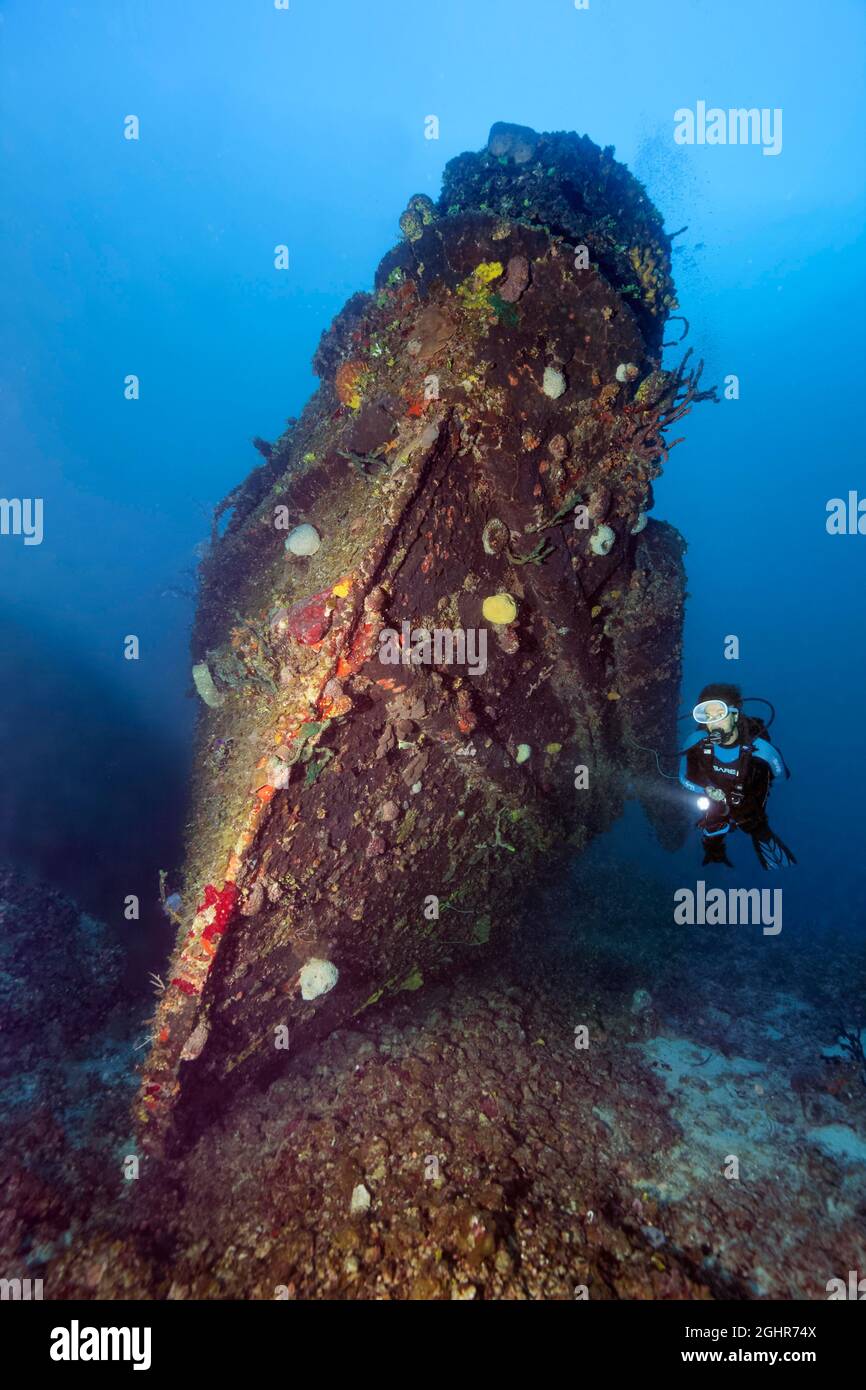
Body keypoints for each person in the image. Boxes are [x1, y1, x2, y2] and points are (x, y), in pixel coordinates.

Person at [679, 682, 796, 869]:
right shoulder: (695, 742)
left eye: (720, 715)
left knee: (754, 825)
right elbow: (683, 778)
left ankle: (780, 866)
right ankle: (715, 855)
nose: (713, 723)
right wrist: (707, 789)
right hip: (714, 796)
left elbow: (781, 777)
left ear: (735, 714)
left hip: (747, 799)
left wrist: (756, 785)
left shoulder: (763, 751)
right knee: (712, 825)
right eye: (707, 716)